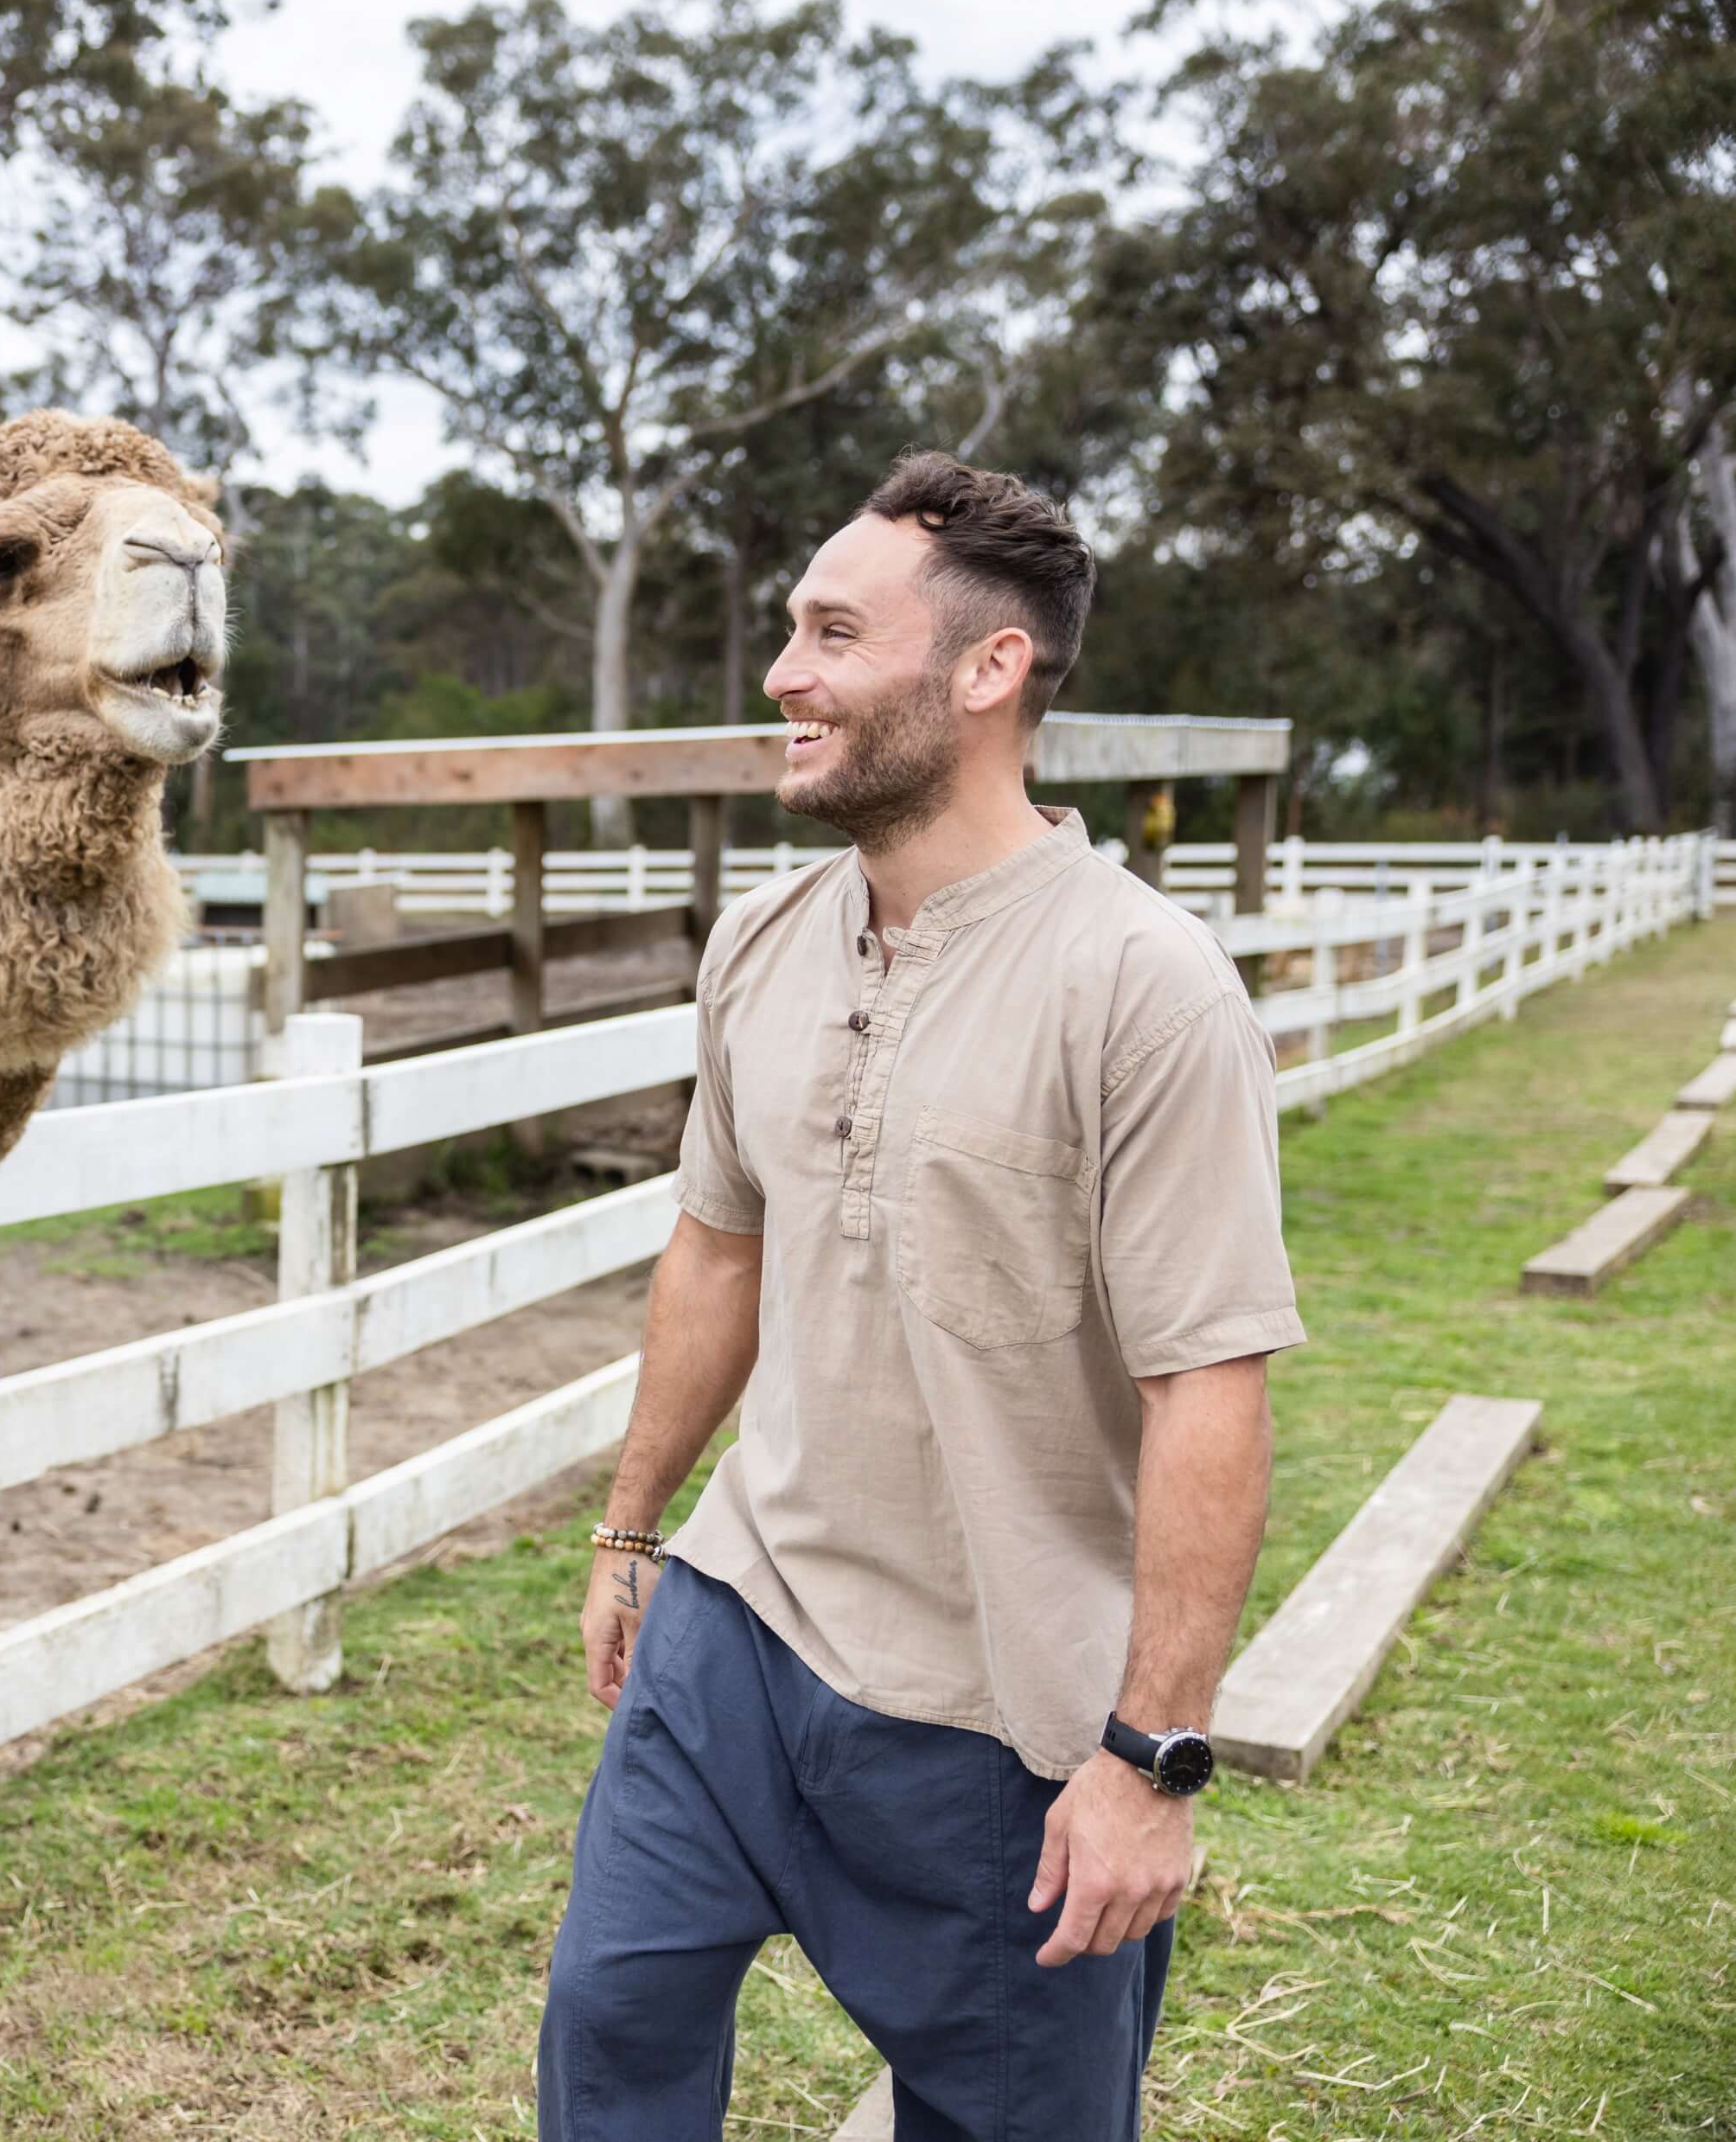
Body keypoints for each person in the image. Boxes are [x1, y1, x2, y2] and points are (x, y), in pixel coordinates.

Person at [538, 453, 1302, 2141]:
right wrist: (632, 1521)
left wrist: (1153, 1760)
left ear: (987, 670)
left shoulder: (1145, 989)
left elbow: (1210, 1390)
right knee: (612, 2023)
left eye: (831, 633)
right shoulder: (762, 942)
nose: (783, 675)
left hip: (997, 1725)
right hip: (738, 1629)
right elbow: (716, 1242)